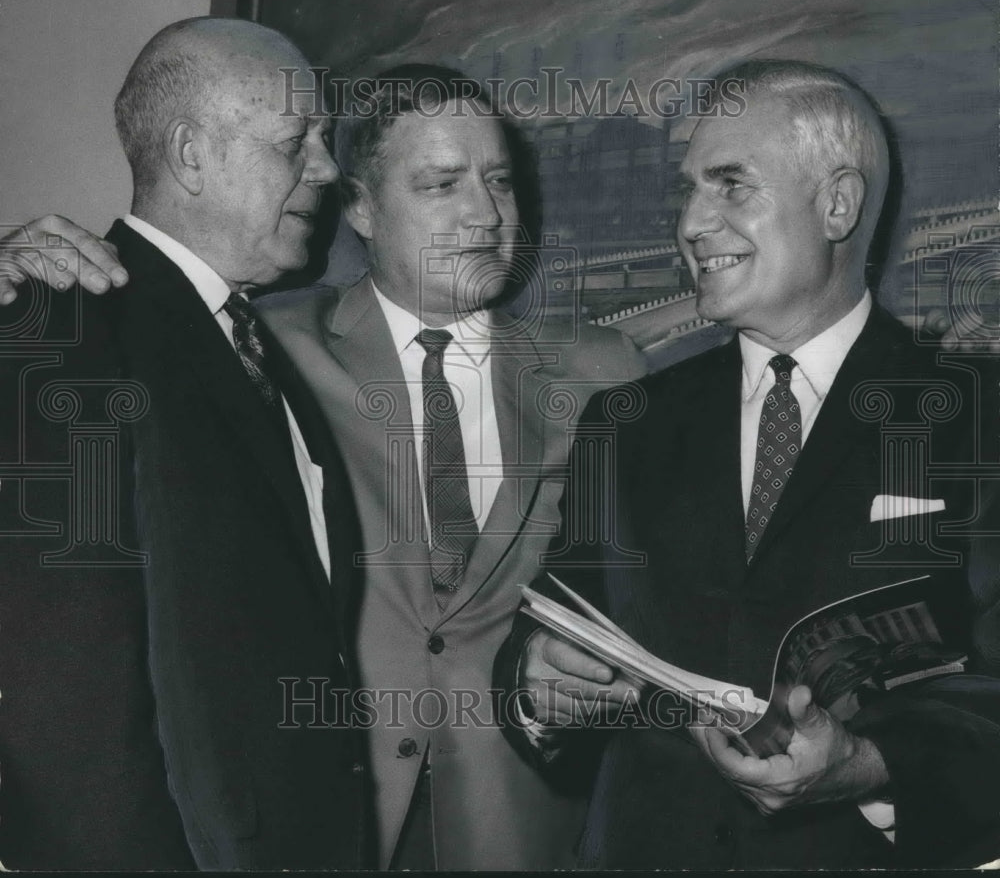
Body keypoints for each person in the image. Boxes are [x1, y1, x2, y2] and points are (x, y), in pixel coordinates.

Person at [1, 65, 645, 869]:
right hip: (316, 819)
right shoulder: (264, 344)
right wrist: (16, 267)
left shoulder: (604, 370)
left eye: (500, 182)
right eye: (442, 184)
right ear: (364, 208)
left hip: (521, 826)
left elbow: (628, 603)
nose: (484, 215)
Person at [495, 60, 1000, 869]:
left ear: (837, 204)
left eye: (731, 185)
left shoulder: (979, 414)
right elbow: (551, 628)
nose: (692, 222)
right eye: (688, 189)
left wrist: (870, 768)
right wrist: (535, 688)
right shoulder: (627, 423)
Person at [0, 17, 372, 870]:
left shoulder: (247, 344)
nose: (324, 167)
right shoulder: (66, 327)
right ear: (193, 153)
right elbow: (59, 696)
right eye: (296, 141)